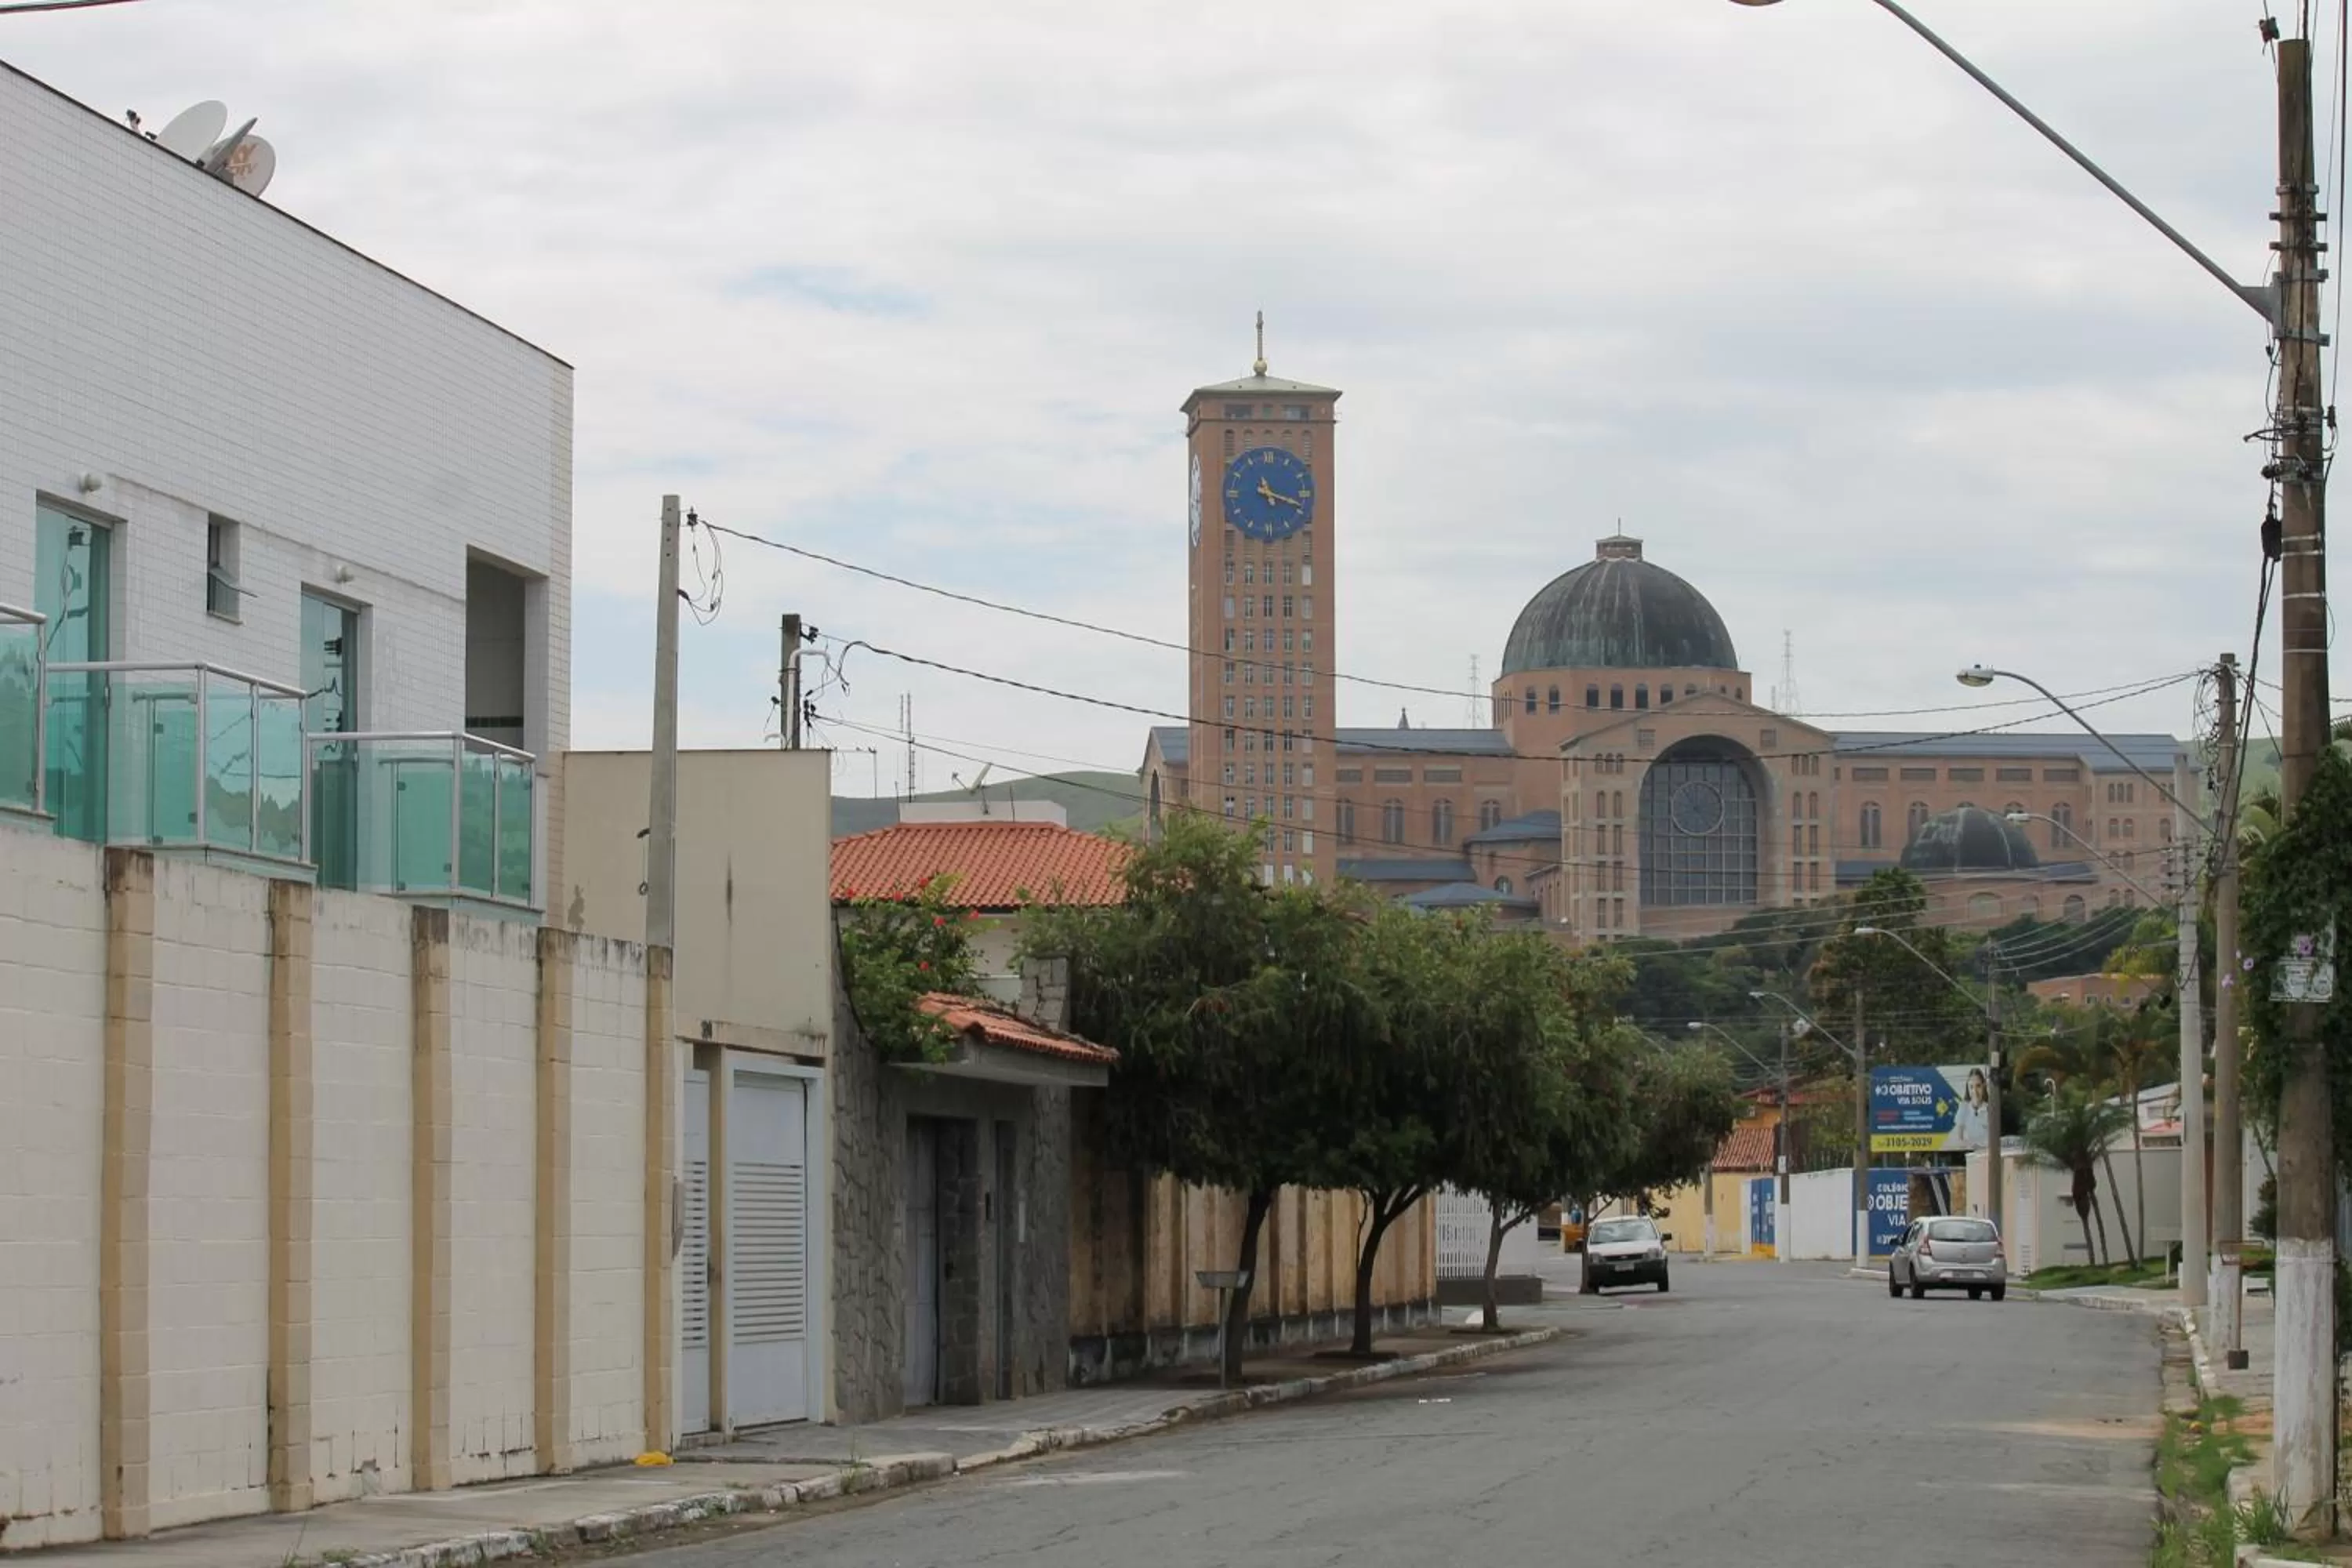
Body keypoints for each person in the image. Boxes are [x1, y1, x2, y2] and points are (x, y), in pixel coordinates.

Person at [1952, 1067, 1992, 1150]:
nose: (1975, 1091)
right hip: (1970, 1153)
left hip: (1987, 1153)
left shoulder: (1990, 1108)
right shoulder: (1964, 1108)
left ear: (1984, 1085)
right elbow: (1959, 1138)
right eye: (1971, 1087)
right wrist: (1970, 1145)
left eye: (1978, 1086)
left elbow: (1993, 1137)